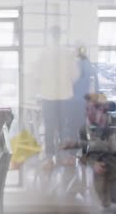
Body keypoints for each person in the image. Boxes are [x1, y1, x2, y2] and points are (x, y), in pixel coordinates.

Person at [37, 25, 79, 169]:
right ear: (60, 35)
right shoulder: (67, 53)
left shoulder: (44, 52)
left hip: (48, 95)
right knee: (64, 127)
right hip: (64, 95)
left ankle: (49, 159)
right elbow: (75, 75)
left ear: (50, 35)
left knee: (49, 127)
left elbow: (38, 74)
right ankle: (66, 157)